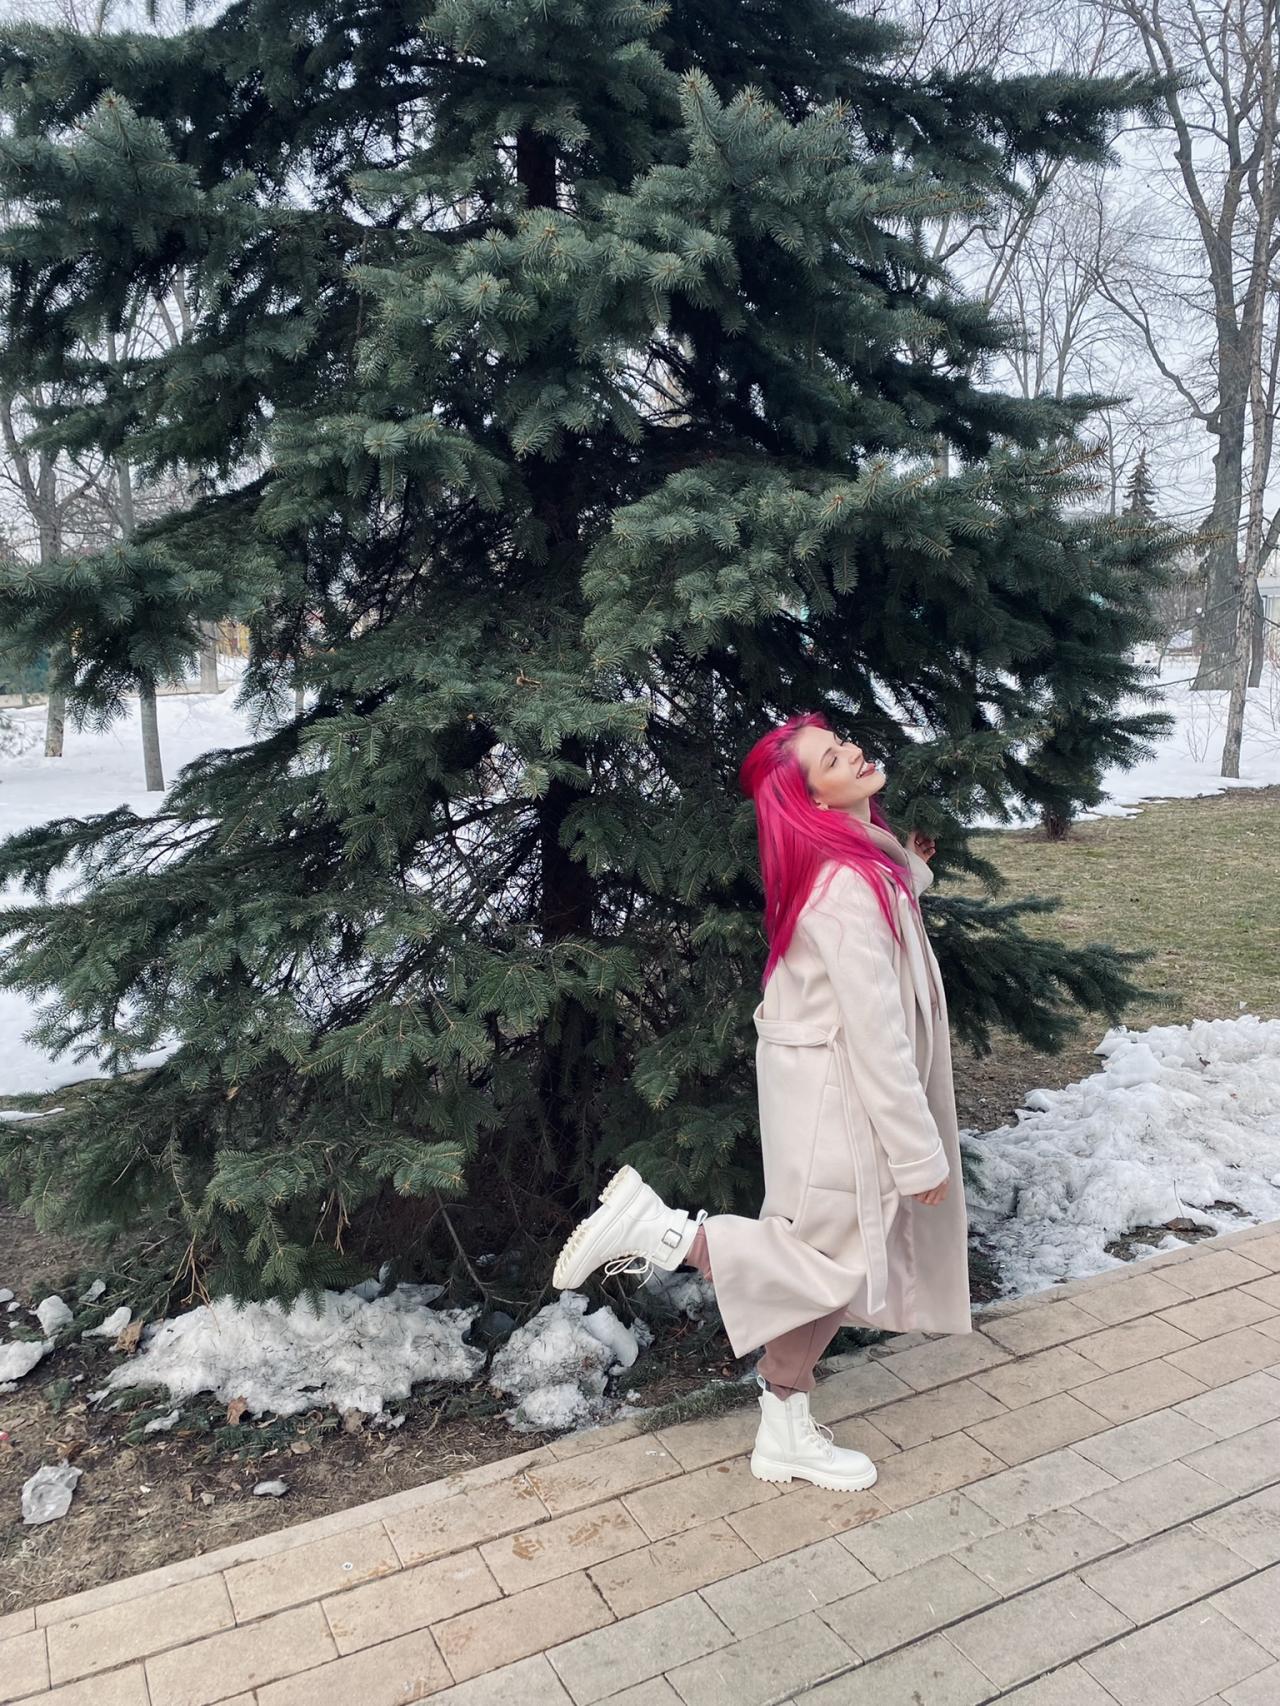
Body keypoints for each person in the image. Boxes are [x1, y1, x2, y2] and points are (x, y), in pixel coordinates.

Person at [552, 712, 972, 1491]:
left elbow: (873, 911)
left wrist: (910, 869)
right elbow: (877, 1034)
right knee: (821, 1265)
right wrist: (918, 1154)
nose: (854, 753)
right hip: (838, 1108)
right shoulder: (844, 889)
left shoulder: (852, 864)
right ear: (813, 801)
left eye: (842, 744)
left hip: (827, 1096)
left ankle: (784, 1426)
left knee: (830, 1274)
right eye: (833, 759)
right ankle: (668, 1234)